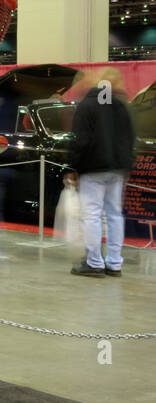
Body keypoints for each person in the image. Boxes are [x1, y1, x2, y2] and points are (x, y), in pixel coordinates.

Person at [66, 68, 137, 277]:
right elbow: (130, 139)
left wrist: (73, 167)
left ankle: (94, 262)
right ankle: (114, 263)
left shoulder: (87, 106)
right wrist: (126, 165)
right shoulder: (121, 107)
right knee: (115, 215)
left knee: (92, 216)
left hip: (93, 169)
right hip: (117, 169)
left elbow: (80, 141)